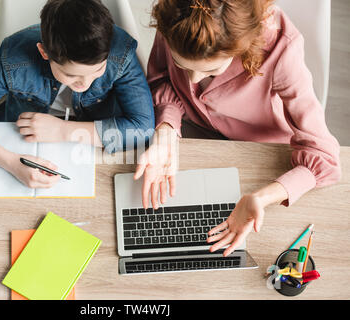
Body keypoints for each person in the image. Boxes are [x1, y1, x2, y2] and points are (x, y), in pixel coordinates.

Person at [134, 0, 341, 256]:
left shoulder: (281, 47)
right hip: (194, 134)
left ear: (244, 46)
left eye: (210, 69)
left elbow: (326, 159)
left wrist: (263, 197)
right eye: (183, 65)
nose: (193, 80)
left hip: (260, 150)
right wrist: (165, 132)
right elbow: (162, 79)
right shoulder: (177, 22)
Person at [0, 0, 154, 189]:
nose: (86, 84)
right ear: (44, 52)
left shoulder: (120, 51)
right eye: (71, 75)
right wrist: (12, 163)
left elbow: (143, 127)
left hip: (94, 136)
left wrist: (63, 131)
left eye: (98, 71)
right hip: (21, 133)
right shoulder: (14, 58)